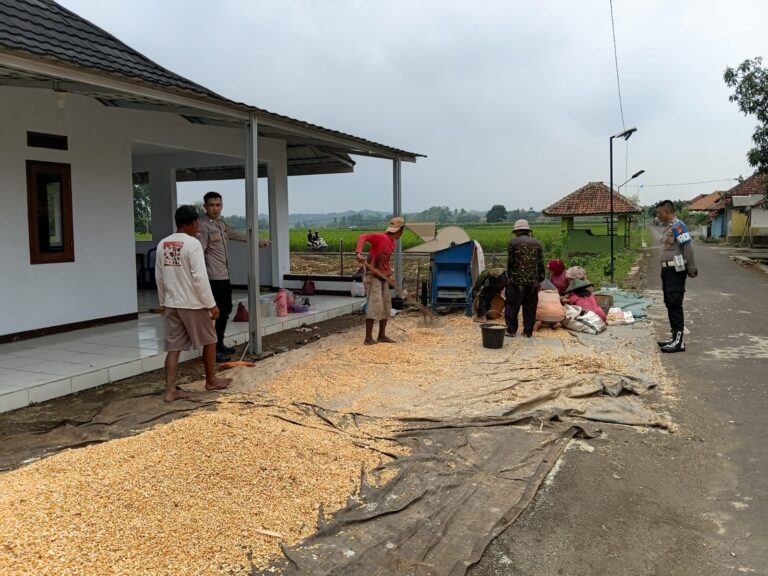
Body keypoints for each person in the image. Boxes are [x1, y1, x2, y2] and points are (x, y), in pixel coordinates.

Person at [155, 205, 232, 402]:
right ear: (192, 223)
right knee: (210, 340)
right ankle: (211, 380)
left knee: (174, 348)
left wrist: (163, 302)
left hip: (172, 303)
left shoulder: (163, 244)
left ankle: (170, 390)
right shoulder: (192, 244)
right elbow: (199, 278)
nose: (197, 226)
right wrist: (211, 305)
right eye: (196, 222)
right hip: (193, 304)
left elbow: (159, 277)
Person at [198, 191, 271, 362]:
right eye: (212, 205)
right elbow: (199, 252)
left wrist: (259, 242)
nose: (216, 209)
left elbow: (238, 235)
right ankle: (212, 350)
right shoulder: (203, 226)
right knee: (216, 313)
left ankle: (220, 344)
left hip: (224, 275)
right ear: (205, 207)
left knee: (225, 311)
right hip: (213, 277)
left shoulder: (221, 224)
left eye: (218, 205)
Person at [655, 199, 698, 353]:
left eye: (659, 213)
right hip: (667, 271)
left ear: (667, 212)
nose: (658, 216)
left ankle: (679, 342)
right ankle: (674, 337)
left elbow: (688, 248)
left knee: (675, 303)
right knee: (669, 302)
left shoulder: (679, 226)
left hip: (676, 271)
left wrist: (692, 268)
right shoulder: (669, 227)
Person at [355, 216, 406, 345]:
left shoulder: (392, 242)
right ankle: (368, 338)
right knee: (374, 304)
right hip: (373, 275)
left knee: (386, 305)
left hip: (383, 275)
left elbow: (385, 261)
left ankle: (381, 335)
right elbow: (363, 237)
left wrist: (390, 276)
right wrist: (359, 253)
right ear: (400, 230)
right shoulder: (380, 237)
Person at [505, 219, 545, 338]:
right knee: (530, 308)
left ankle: (511, 331)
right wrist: (540, 280)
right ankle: (528, 332)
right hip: (533, 283)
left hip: (516, 282)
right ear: (527, 231)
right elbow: (540, 264)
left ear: (517, 231)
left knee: (512, 306)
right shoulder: (538, 244)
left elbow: (510, 263)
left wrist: (509, 277)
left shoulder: (513, 243)